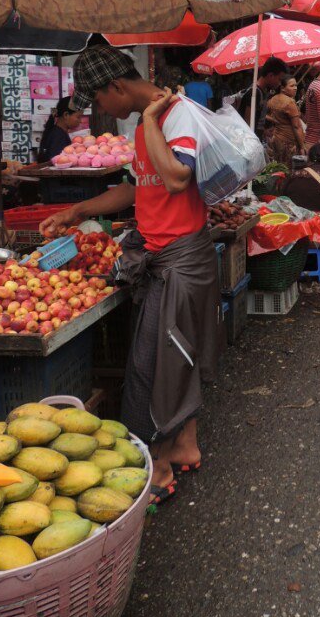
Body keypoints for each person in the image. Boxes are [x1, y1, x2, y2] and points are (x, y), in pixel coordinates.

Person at [39, 46, 221, 508]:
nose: (100, 111)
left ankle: (157, 466)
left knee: (152, 364)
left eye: (99, 101)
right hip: (167, 256)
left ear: (117, 86)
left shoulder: (172, 116)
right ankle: (184, 445)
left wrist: (150, 123)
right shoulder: (148, 121)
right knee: (179, 355)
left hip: (180, 257)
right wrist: (77, 210)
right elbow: (138, 186)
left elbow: (178, 177)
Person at [236, 56, 288, 140]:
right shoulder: (254, 94)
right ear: (271, 75)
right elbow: (247, 125)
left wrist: (263, 132)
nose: (280, 84)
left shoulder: (261, 92)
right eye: (279, 79)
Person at [265, 73, 305, 166]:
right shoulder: (289, 102)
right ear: (282, 88)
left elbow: (264, 115)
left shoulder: (273, 99)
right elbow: (296, 126)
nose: (295, 88)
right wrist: (302, 146)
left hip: (277, 138)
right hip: (289, 142)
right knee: (289, 169)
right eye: (292, 86)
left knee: (280, 167)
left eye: (296, 85)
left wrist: (275, 121)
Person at [37, 96, 84, 162]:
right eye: (78, 117)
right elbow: (58, 163)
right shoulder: (58, 136)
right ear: (66, 115)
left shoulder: (58, 132)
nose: (80, 121)